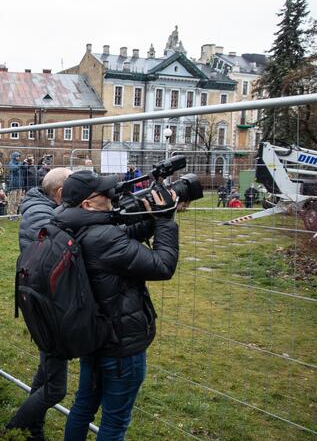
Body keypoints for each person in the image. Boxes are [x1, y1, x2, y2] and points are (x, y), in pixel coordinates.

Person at [54, 170, 179, 440]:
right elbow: (162, 266)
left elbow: (122, 237)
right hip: (120, 344)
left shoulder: (71, 225)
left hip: (93, 335)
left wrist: (156, 216)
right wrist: (166, 222)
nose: (112, 196)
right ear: (87, 204)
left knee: (83, 407)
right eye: (105, 194)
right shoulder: (103, 237)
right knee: (115, 421)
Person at [7, 167, 72, 438]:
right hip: (47, 306)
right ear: (60, 193)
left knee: (46, 372)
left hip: (46, 302)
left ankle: (34, 429)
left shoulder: (43, 209)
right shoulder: (41, 216)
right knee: (56, 387)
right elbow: (59, 250)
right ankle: (14, 427)